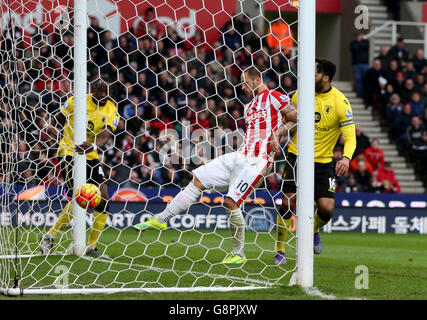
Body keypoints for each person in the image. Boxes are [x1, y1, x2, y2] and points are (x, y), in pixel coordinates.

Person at [133, 66, 297, 265]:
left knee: (230, 202)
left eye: (245, 82)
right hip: (240, 155)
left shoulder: (275, 97)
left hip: (259, 160)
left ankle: (239, 252)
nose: (242, 87)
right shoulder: (249, 106)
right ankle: (161, 219)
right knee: (197, 179)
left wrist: (278, 134)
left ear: (256, 80)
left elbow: (297, 118)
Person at [274, 58, 356, 265]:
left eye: (315, 73)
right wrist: (278, 134)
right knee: (287, 203)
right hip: (296, 155)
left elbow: (351, 137)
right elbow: (288, 123)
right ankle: (280, 250)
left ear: (325, 78)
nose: (309, 76)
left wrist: (346, 158)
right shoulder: (300, 95)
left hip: (323, 162)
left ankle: (312, 231)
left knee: (327, 209)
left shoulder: (340, 102)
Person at [40, 79, 120, 258]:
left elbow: (106, 135)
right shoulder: (77, 101)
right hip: (69, 152)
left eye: (105, 92)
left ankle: (91, 246)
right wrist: (53, 130)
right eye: (98, 91)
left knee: (104, 199)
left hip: (90, 154)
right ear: (92, 91)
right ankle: (50, 235)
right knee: (79, 197)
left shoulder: (111, 110)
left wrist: (92, 147)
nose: (101, 95)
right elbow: (57, 119)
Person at [349, 31, 370, 98]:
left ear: (361, 35)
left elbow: (365, 47)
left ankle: (365, 93)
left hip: (365, 64)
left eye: (359, 35)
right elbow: (353, 49)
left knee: (365, 79)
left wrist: (358, 47)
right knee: (358, 79)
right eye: (357, 35)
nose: (358, 37)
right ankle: (359, 93)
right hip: (356, 64)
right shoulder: (352, 43)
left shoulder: (366, 42)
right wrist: (360, 46)